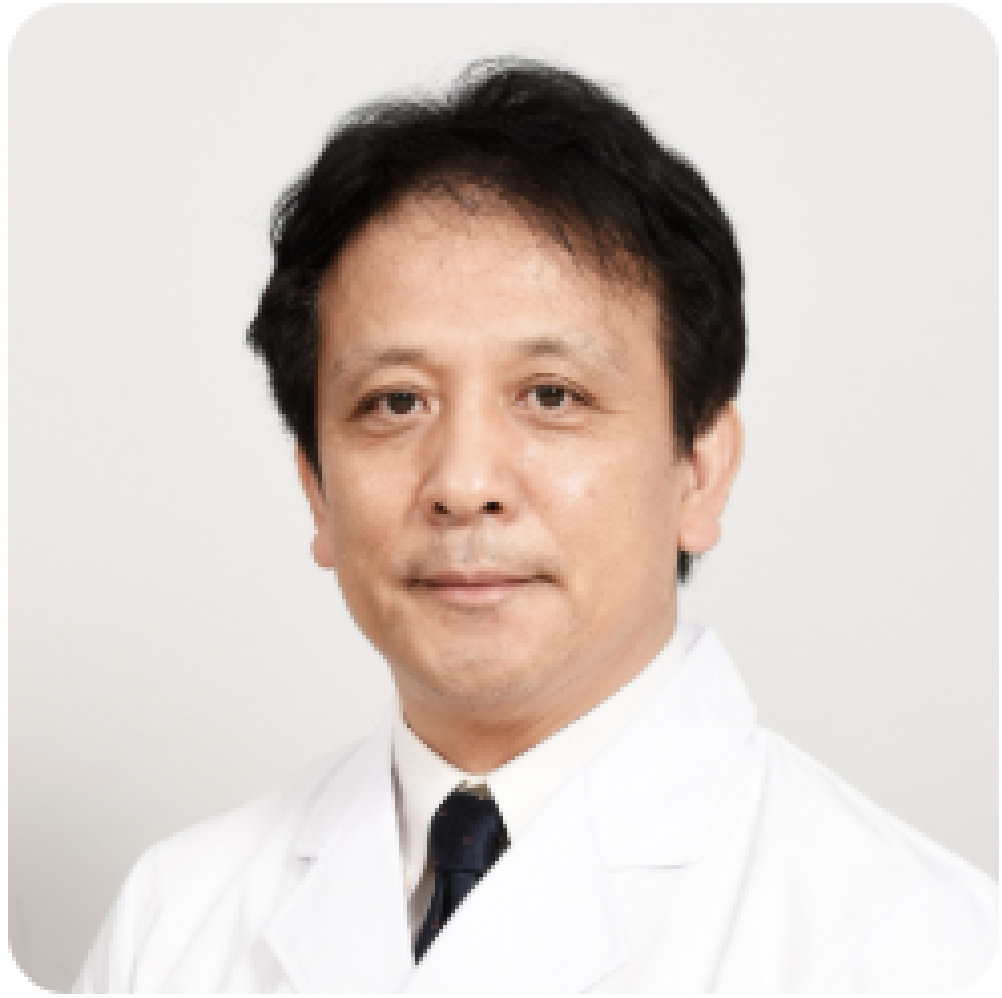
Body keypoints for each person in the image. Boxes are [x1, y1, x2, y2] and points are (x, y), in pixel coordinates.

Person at [74, 59, 997, 993]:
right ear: (316, 489)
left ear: (699, 470)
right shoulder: (171, 922)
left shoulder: (912, 947)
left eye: (553, 395)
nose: (464, 484)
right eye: (395, 402)